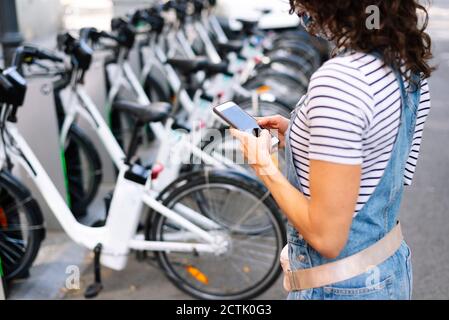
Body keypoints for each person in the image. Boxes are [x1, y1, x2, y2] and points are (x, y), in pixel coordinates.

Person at [231, 0, 433, 300]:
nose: (296, 8)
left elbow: (327, 236)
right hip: (387, 267)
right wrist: (303, 133)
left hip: (338, 286)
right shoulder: (404, 63)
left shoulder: (341, 81)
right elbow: (377, 161)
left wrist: (264, 165)